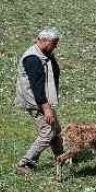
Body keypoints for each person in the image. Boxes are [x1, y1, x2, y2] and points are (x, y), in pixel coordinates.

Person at [14, 28, 63, 175]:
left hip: (42, 100)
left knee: (56, 130)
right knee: (48, 131)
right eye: (54, 43)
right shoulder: (33, 59)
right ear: (44, 41)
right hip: (36, 102)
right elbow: (37, 87)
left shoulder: (45, 54)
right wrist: (46, 108)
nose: (56, 46)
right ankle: (25, 163)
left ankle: (61, 158)